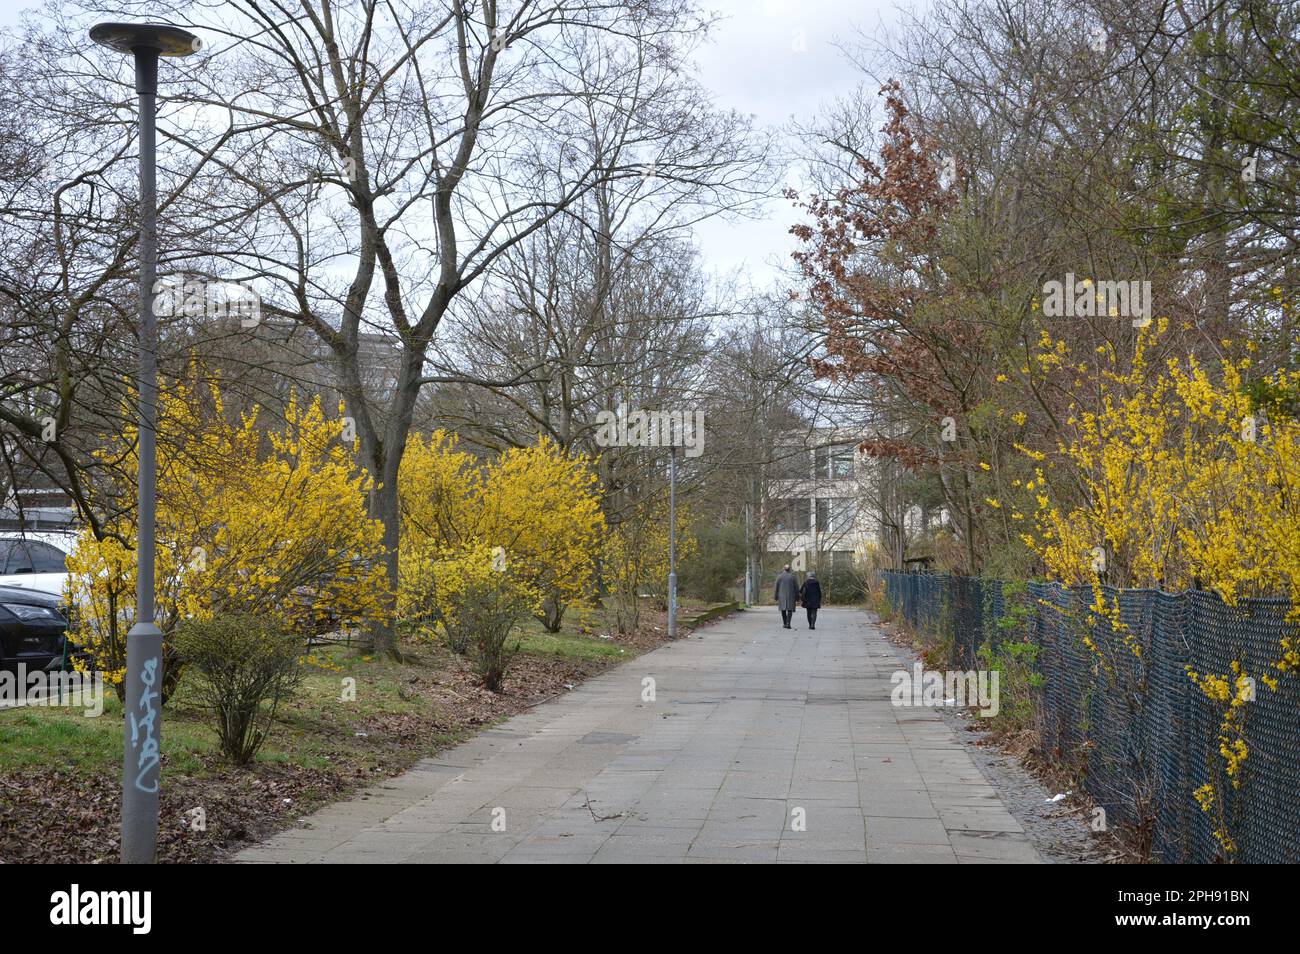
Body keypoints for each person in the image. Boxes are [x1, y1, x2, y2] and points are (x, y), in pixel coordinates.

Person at [774, 564, 798, 629]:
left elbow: (776, 587)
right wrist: (797, 597)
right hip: (791, 595)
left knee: (783, 609)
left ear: (783, 569)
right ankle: (788, 623)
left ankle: (785, 623)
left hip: (781, 596)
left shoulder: (779, 577)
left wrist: (775, 596)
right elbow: (796, 587)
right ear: (789, 569)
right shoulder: (793, 577)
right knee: (790, 609)